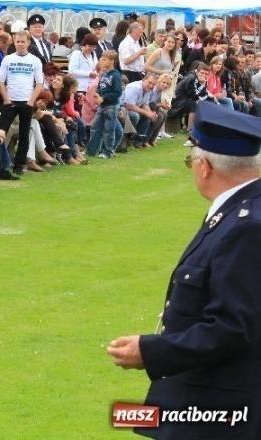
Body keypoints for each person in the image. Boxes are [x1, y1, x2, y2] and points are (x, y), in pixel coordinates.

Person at [108, 103, 261, 440]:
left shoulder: (245, 226)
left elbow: (233, 327)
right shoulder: (241, 211)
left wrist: (150, 351)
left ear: (204, 166)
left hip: (220, 407)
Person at [0, 27, 44, 176]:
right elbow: (0, 81)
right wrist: (6, 99)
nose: (20, 44)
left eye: (23, 42)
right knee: (1, 131)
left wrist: (31, 101)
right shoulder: (8, 59)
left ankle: (19, 163)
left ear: (28, 43)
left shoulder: (35, 61)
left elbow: (39, 83)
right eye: (17, 42)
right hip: (11, 101)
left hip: (26, 101)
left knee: (24, 134)